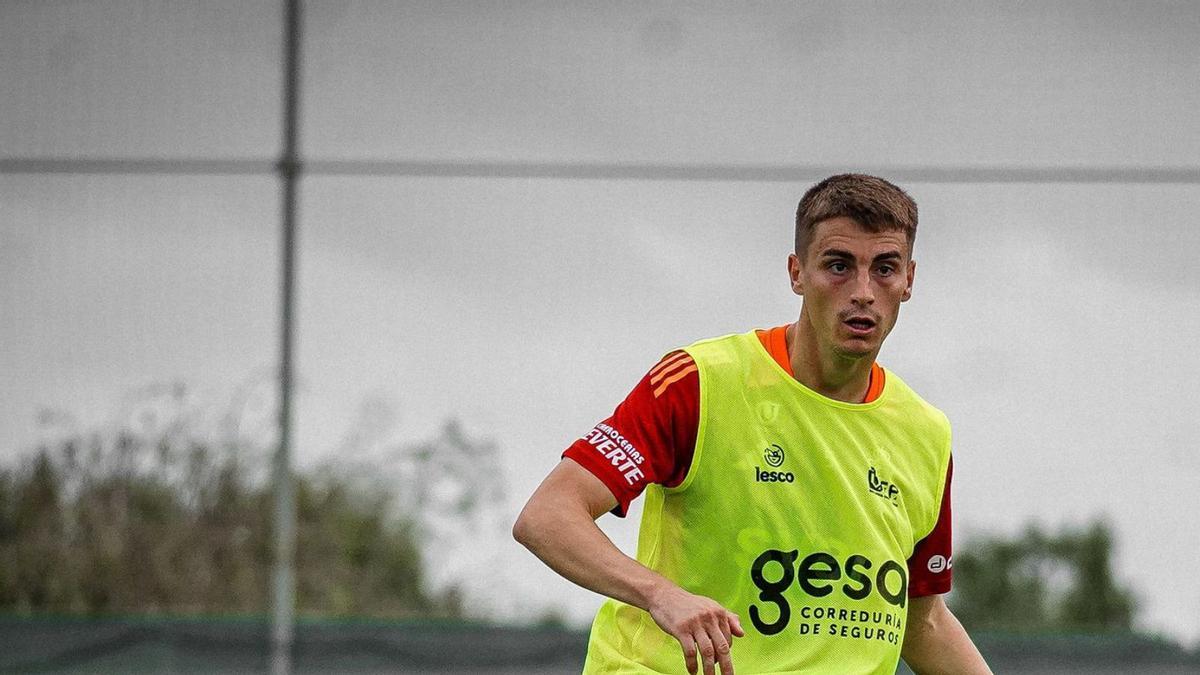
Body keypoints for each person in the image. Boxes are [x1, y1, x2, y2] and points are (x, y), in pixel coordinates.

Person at [513, 174, 992, 674]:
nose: (864, 292)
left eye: (885, 269)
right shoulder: (699, 383)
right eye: (838, 266)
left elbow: (923, 621)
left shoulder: (926, 432)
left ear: (909, 280)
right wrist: (661, 595)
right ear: (796, 273)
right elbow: (548, 515)